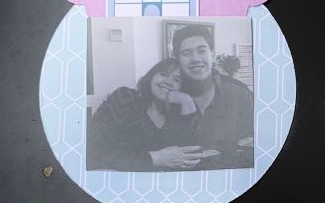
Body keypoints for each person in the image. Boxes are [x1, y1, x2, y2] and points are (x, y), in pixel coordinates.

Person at [87, 58, 204, 171]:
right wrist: (155, 159)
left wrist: (187, 101)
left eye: (177, 80)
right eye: (163, 74)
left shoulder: (179, 113)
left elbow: (194, 156)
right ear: (152, 76)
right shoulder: (124, 98)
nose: (168, 82)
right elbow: (95, 152)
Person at [172, 24, 254, 168]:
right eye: (186, 53)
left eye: (202, 51)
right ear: (177, 58)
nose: (195, 59)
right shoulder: (165, 96)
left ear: (213, 54)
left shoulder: (239, 93)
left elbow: (253, 148)